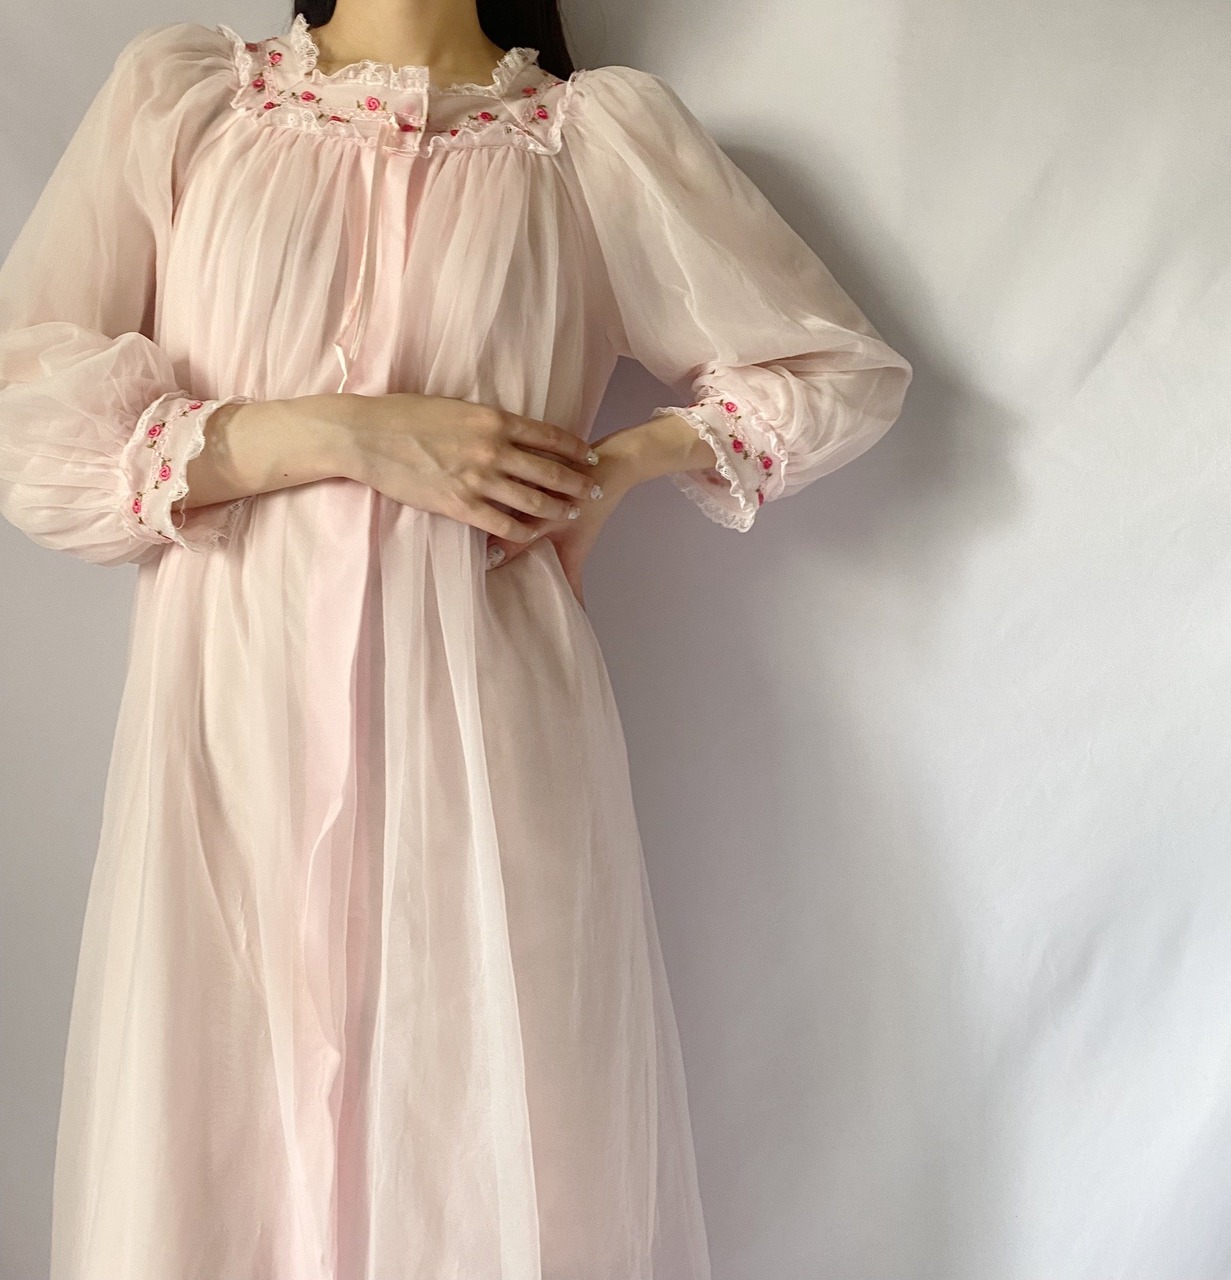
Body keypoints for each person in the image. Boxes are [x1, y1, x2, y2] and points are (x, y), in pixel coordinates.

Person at [0, 2, 913, 1275]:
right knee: (216, 1153)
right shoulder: (189, 106)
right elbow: (24, 400)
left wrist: (626, 462)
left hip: (488, 751)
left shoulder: (590, 147)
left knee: (481, 1157)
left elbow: (838, 371)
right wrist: (344, 432)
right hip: (232, 745)